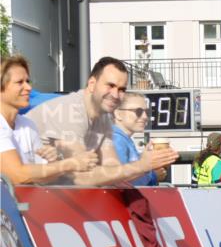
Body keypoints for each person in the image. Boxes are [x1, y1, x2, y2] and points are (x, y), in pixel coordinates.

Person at [26, 56, 178, 185]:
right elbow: (81, 177)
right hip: (18, 201)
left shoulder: (103, 117)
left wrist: (146, 165)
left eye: (121, 89)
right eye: (110, 85)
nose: (115, 94)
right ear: (92, 84)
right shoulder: (69, 110)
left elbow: (113, 170)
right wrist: (142, 166)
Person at [0, 55, 99, 184]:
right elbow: (18, 175)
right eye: (20, 82)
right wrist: (69, 164)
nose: (29, 88)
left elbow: (44, 179)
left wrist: (53, 161)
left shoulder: (27, 125)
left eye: (27, 81)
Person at [111, 92, 165, 186]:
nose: (145, 117)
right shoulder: (117, 140)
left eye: (147, 112)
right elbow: (119, 180)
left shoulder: (122, 140)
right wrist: (153, 175)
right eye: (138, 111)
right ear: (118, 114)